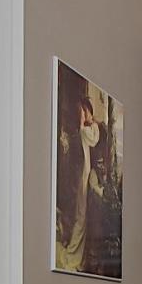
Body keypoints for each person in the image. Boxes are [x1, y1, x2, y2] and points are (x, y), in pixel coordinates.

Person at [56, 91, 104, 273]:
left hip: (88, 177)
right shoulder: (85, 131)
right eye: (83, 113)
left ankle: (79, 256)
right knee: (80, 218)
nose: (85, 115)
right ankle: (73, 254)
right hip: (83, 178)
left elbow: (95, 139)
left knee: (83, 218)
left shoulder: (90, 130)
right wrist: (85, 122)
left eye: (85, 112)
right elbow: (91, 139)